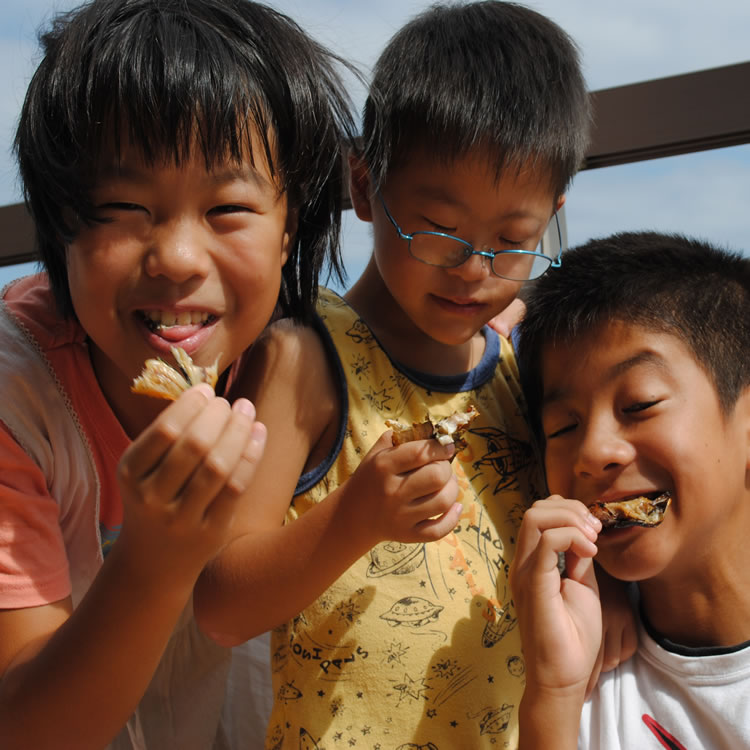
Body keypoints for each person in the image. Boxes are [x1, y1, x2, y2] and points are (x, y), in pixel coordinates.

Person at [193, 3, 602, 747]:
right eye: (440, 231)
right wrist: (354, 518)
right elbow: (220, 604)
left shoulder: (516, 376)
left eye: (514, 241)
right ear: (362, 184)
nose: (475, 271)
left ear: (553, 215)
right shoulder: (306, 356)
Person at [0, 0, 356, 748]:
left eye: (228, 207)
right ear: (62, 222)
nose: (179, 259)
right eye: (125, 207)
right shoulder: (17, 400)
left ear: (290, 224)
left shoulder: (297, 349)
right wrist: (155, 561)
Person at [508, 231, 750, 749]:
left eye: (638, 405)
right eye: (562, 429)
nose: (593, 452)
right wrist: (554, 692)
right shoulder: (574, 680)